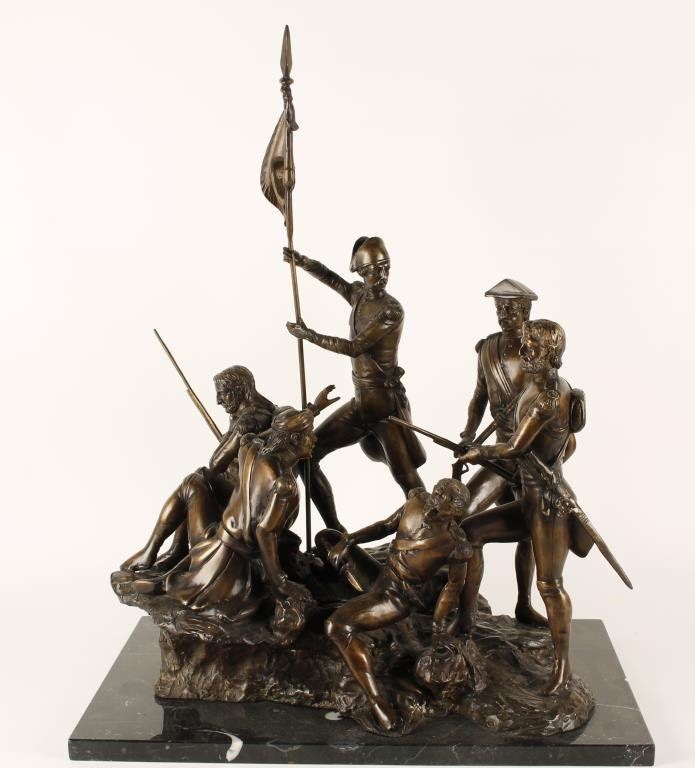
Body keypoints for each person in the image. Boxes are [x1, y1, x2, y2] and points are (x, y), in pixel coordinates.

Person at [130, 386, 340, 639]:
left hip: (214, 543)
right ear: (293, 440)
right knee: (195, 483)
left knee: (193, 482)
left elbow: (272, 434)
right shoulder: (283, 485)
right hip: (235, 566)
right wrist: (280, 582)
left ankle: (159, 555)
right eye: (308, 436)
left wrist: (312, 411)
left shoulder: (250, 450)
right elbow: (264, 533)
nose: (314, 439)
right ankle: (169, 554)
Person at [459, 320, 592, 695]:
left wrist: (479, 452)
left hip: (548, 506)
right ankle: (465, 622)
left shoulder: (548, 397)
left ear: (550, 353)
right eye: (527, 343)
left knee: (550, 585)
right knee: (470, 532)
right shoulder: (536, 386)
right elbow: (561, 445)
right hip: (529, 500)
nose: (525, 349)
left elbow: (515, 447)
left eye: (533, 345)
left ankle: (562, 665)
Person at [284, 237, 426, 531]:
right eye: (374, 269)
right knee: (306, 456)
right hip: (362, 404)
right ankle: (336, 531)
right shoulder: (359, 295)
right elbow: (332, 279)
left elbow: (354, 347)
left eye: (386, 267)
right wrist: (304, 263)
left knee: (409, 482)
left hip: (384, 408)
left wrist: (308, 335)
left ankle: (429, 530)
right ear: (360, 272)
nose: (382, 275)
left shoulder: (391, 310)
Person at [323, 479, 473, 731]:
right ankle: (329, 591)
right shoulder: (416, 501)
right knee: (328, 538)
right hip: (380, 576)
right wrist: (348, 540)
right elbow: (384, 526)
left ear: (455, 512)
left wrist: (438, 628)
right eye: (436, 493)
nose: (434, 502)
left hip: (396, 597)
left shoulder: (456, 545)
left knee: (336, 627)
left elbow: (452, 588)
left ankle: (376, 701)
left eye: (443, 502)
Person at [458, 279, 557, 627]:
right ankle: (464, 614)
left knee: (527, 533)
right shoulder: (487, 348)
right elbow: (479, 398)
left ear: (527, 311)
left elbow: (552, 412)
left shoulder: (536, 353)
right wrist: (468, 434)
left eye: (511, 308)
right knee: (463, 521)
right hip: (498, 453)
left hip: (529, 458)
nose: (504, 314)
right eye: (500, 307)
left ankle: (524, 604)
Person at [121, 366, 276, 572]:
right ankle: (175, 548)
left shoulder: (250, 420)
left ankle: (155, 550)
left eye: (223, 393)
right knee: (199, 476)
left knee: (193, 482)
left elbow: (216, 463)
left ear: (239, 390)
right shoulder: (257, 410)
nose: (218, 401)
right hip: (243, 489)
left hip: (248, 499)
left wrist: (229, 440)